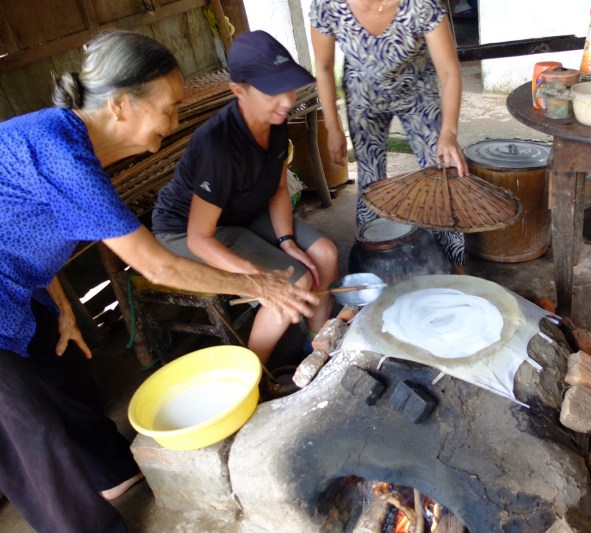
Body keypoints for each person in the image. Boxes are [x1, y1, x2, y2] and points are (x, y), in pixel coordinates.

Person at [0, 30, 317, 533]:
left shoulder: (71, 151)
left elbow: (24, 230)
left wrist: (60, 306)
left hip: (18, 288)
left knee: (69, 381)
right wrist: (263, 287)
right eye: (168, 108)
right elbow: (158, 265)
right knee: (30, 440)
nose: (173, 124)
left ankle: (117, 476)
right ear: (122, 105)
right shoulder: (61, 153)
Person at [151, 31, 339, 364]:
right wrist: (259, 279)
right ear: (238, 91)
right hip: (187, 231)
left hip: (241, 211)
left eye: (289, 87)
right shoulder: (219, 146)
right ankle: (256, 376)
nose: (286, 100)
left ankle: (317, 348)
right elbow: (199, 239)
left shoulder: (276, 119)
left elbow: (279, 188)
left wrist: (286, 241)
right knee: (292, 285)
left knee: (324, 254)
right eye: (272, 91)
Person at [309, 0, 468, 272]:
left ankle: (455, 268)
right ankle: (373, 267)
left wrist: (449, 133)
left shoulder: (420, 4)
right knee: (370, 183)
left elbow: (449, 71)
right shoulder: (327, 5)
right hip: (363, 94)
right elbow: (323, 68)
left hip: (418, 89)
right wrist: (333, 127)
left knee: (441, 171)